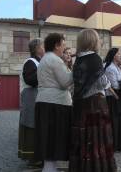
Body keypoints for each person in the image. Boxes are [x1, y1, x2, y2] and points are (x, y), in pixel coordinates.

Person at [69, 29, 117, 172]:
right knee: (97, 138)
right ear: (92, 41)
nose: (99, 41)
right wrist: (108, 83)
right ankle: (98, 168)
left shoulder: (78, 59)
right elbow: (101, 82)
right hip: (95, 104)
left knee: (84, 138)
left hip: (80, 103)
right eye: (97, 39)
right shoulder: (94, 58)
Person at [34, 33, 73, 172]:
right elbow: (65, 82)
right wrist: (75, 71)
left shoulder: (46, 58)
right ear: (56, 45)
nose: (64, 48)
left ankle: (49, 167)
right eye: (63, 44)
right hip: (55, 103)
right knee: (54, 136)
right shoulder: (55, 60)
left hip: (45, 101)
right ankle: (50, 169)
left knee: (48, 137)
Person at [18, 38, 45, 167]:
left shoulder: (40, 62)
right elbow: (30, 80)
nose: (45, 48)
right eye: (43, 46)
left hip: (38, 96)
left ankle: (38, 155)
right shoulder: (30, 62)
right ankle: (31, 157)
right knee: (31, 124)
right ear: (36, 49)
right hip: (30, 96)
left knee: (38, 124)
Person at [105, 48, 121, 152]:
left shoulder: (118, 68)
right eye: (119, 54)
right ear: (113, 55)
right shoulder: (110, 68)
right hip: (113, 97)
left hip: (120, 95)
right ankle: (115, 144)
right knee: (115, 121)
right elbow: (115, 84)